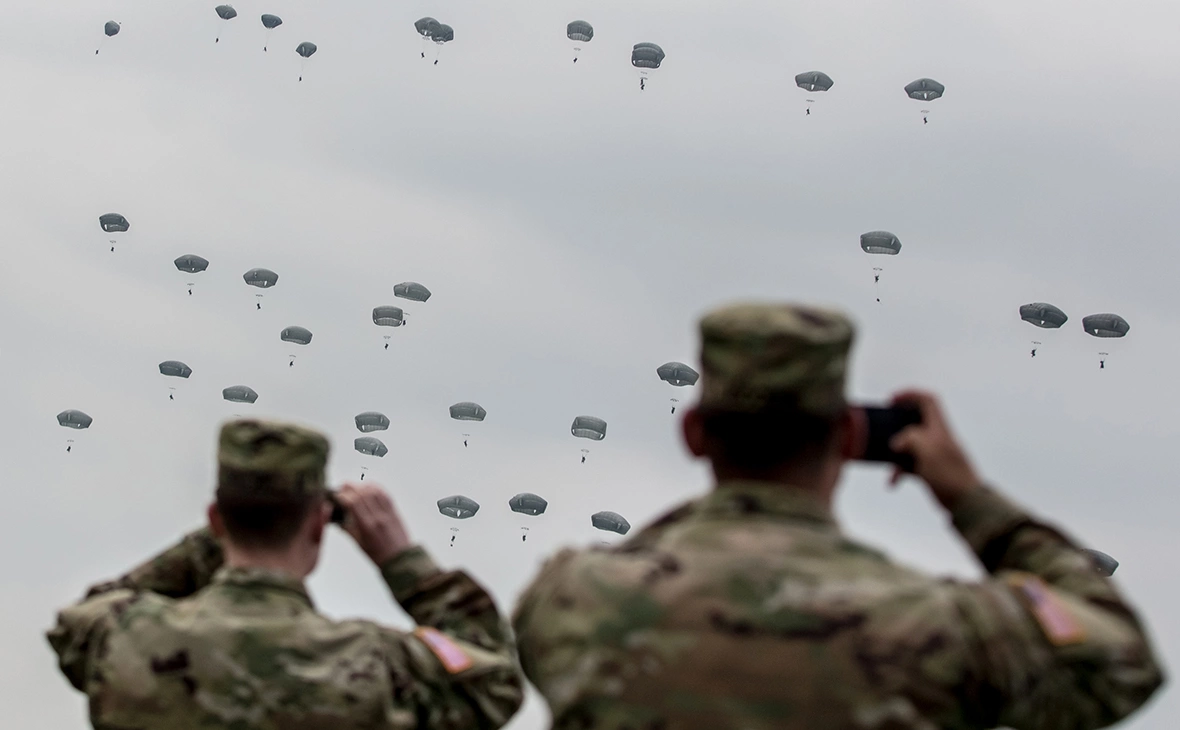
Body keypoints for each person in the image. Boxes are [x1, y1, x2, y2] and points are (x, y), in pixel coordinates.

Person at [512, 302, 1164, 730]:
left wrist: (712, 519)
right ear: (850, 438)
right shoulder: (942, 625)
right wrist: (970, 499)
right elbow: (1123, 663)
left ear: (694, 435)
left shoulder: (573, 600)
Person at [47, 419, 525, 729]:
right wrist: (403, 563)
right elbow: (493, 679)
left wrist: (216, 537)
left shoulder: (123, 638)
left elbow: (77, 620)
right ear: (319, 522)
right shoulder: (375, 664)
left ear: (215, 519)